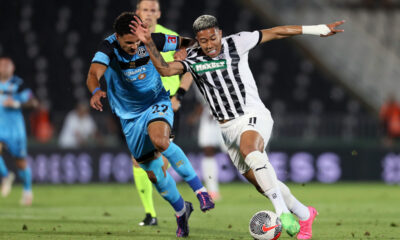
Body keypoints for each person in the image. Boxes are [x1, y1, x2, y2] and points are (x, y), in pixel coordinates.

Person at [131, 14, 345, 239]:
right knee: (262, 183)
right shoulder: (192, 58)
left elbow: (278, 31)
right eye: (204, 41)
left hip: (252, 115)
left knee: (250, 149)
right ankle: (304, 214)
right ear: (198, 40)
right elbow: (165, 70)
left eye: (213, 38)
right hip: (226, 129)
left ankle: (282, 212)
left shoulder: (237, 42)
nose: (210, 45)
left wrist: (318, 28)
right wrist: (148, 42)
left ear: (220, 34)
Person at [86, 12, 214, 237]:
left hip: (157, 102)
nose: (135, 46)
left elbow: (187, 42)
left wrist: (187, 49)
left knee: (161, 141)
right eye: (129, 43)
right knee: (153, 173)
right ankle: (181, 211)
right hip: (129, 117)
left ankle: (201, 191)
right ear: (117, 37)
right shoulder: (108, 47)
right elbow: (93, 73)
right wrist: (96, 90)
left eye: (137, 41)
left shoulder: (151, 39)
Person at [132, 0, 193, 227]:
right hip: (140, 107)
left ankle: (180, 207)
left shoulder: (171, 38)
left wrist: (179, 96)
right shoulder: (130, 39)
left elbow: (190, 67)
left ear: (159, 12)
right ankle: (150, 214)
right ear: (137, 13)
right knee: (138, 160)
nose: (148, 13)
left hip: (165, 105)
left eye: (152, 10)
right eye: (144, 10)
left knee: (158, 166)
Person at [0, 56, 38, 206]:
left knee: (21, 163)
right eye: (1, 65)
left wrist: (16, 103)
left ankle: (27, 190)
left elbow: (33, 103)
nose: (4, 67)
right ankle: (5, 175)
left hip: (16, 130)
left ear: (12, 68)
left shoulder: (19, 85)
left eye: (7, 65)